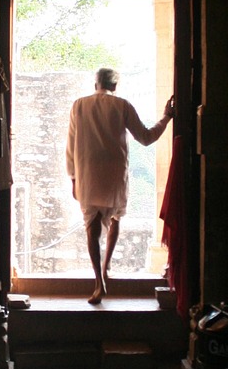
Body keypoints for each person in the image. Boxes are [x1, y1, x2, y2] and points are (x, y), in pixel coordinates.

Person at [66, 66, 175, 304]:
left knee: (92, 228)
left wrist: (73, 177)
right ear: (115, 86)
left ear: (96, 84)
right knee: (115, 219)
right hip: (115, 174)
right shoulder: (122, 105)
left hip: (88, 173)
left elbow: (71, 144)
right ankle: (106, 267)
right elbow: (146, 137)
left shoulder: (79, 105)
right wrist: (167, 116)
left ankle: (98, 281)